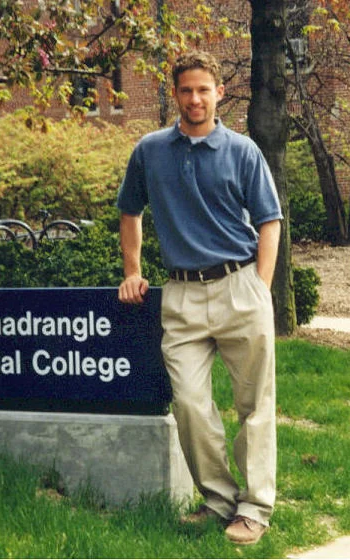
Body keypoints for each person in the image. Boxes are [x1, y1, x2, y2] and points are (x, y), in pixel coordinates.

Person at [116, 50, 282, 546]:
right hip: (182, 296)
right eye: (186, 90)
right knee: (189, 403)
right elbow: (130, 210)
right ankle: (218, 500)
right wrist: (132, 270)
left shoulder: (243, 151)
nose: (195, 99)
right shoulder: (150, 150)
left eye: (203, 90)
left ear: (219, 93)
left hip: (239, 287)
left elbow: (269, 221)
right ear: (176, 94)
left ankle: (254, 508)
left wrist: (260, 286)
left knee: (254, 405)